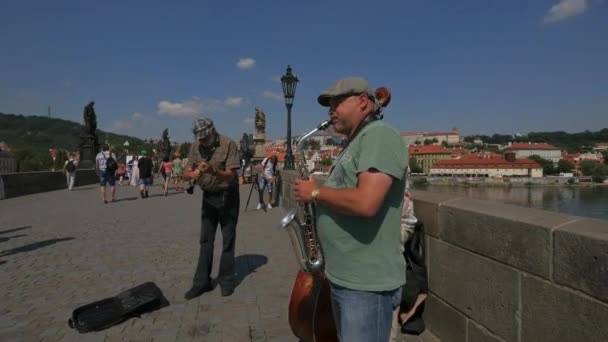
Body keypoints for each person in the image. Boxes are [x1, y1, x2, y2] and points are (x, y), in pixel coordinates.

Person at [293, 77, 408, 342]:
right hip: (347, 277)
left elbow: (366, 203)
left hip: (365, 284)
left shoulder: (379, 135)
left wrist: (316, 193)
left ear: (363, 102)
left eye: (337, 102)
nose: (330, 111)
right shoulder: (357, 141)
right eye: (328, 105)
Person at [183, 117, 241, 299]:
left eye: (204, 137)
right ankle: (202, 283)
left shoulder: (228, 144)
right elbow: (185, 172)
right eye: (199, 138)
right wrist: (190, 174)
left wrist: (212, 171)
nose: (202, 141)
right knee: (205, 240)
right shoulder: (195, 147)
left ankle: (226, 281)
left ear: (212, 129)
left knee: (227, 240)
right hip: (208, 197)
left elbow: (231, 176)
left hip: (227, 196)